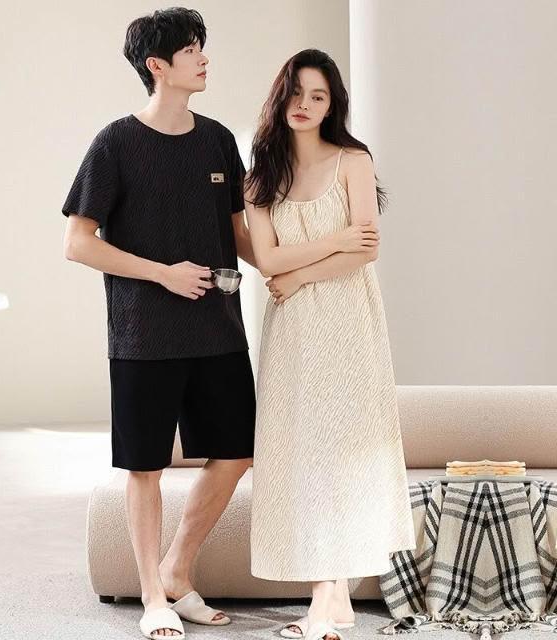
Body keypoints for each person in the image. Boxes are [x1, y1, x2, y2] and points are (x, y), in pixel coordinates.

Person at [61, 8, 258, 639]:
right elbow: (78, 243)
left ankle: (177, 569)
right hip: (143, 335)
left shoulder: (218, 140)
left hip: (219, 330)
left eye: (202, 47)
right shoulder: (115, 143)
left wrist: (296, 268)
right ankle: (152, 597)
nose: (204, 58)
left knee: (237, 452)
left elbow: (239, 234)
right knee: (144, 466)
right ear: (157, 65)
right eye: (192, 49)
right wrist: (162, 274)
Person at [244, 49, 417, 640]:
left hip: (348, 322)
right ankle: (333, 598)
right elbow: (266, 258)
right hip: (292, 332)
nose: (304, 105)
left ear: (331, 105)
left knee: (340, 451)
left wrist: (300, 275)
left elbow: (365, 251)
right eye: (296, 93)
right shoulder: (260, 178)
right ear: (280, 98)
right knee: (302, 455)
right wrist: (333, 241)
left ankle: (325, 600)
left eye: (317, 96)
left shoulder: (353, 161)